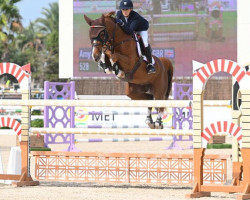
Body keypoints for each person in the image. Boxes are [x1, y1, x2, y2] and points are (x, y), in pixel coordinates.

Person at [116, 0, 156, 74]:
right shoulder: (119, 14)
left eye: (127, 9)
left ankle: (150, 64)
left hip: (141, 29)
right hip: (129, 28)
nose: (124, 11)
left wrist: (121, 23)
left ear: (131, 9)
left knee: (144, 42)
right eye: (123, 9)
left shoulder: (135, 17)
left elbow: (130, 31)